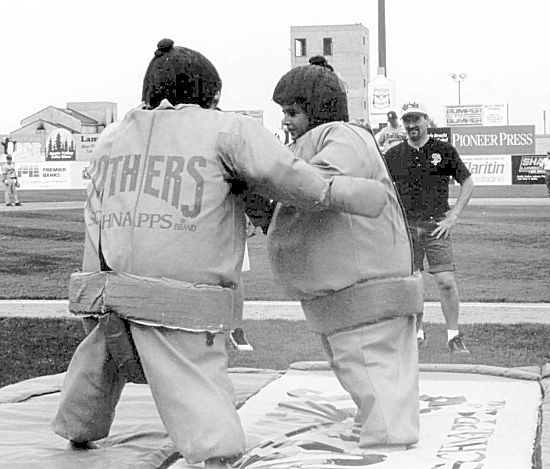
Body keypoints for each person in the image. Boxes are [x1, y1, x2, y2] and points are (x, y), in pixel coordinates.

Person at [51, 39, 388, 469]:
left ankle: (77, 429)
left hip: (110, 289)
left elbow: (94, 221)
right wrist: (349, 193)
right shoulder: (227, 129)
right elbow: (287, 174)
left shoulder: (110, 141)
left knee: (102, 355)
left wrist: (90, 293)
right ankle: (216, 454)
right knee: (195, 378)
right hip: (183, 297)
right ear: (209, 95)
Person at [267, 61, 423, 449]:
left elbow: (315, 183)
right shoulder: (319, 141)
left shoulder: (343, 136)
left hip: (363, 283)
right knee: (357, 362)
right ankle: (380, 423)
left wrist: (262, 176)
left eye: (292, 112)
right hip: (348, 287)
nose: (286, 122)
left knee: (369, 360)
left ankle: (388, 437)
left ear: (317, 110)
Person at [385, 101, 475, 354]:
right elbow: (382, 187)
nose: (411, 125)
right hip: (406, 229)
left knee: (446, 281)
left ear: (427, 119)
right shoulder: (393, 155)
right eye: (407, 120)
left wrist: (453, 216)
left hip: (437, 226)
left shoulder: (443, 150)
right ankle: (416, 333)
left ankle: (454, 336)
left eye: (416, 119)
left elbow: (467, 182)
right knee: (412, 283)